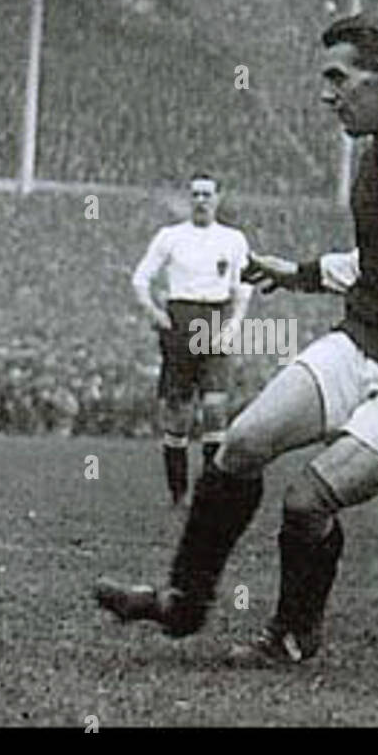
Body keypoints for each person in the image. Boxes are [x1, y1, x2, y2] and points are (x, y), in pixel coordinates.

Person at [96, 14, 378, 664]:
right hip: (365, 340)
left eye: (338, 78)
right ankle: (183, 601)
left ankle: (292, 636)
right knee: (243, 442)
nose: (327, 95)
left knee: (307, 498)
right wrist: (297, 272)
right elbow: (375, 261)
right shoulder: (370, 159)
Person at [130, 174, 253, 507]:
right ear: (189, 199)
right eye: (195, 194)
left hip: (214, 319)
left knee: (214, 409)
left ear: (218, 198)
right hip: (179, 319)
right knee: (179, 413)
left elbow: (243, 288)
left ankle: (211, 493)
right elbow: (140, 279)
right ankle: (178, 492)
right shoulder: (170, 236)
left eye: (207, 194)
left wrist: (232, 327)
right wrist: (155, 314)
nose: (201, 200)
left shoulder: (233, 239)